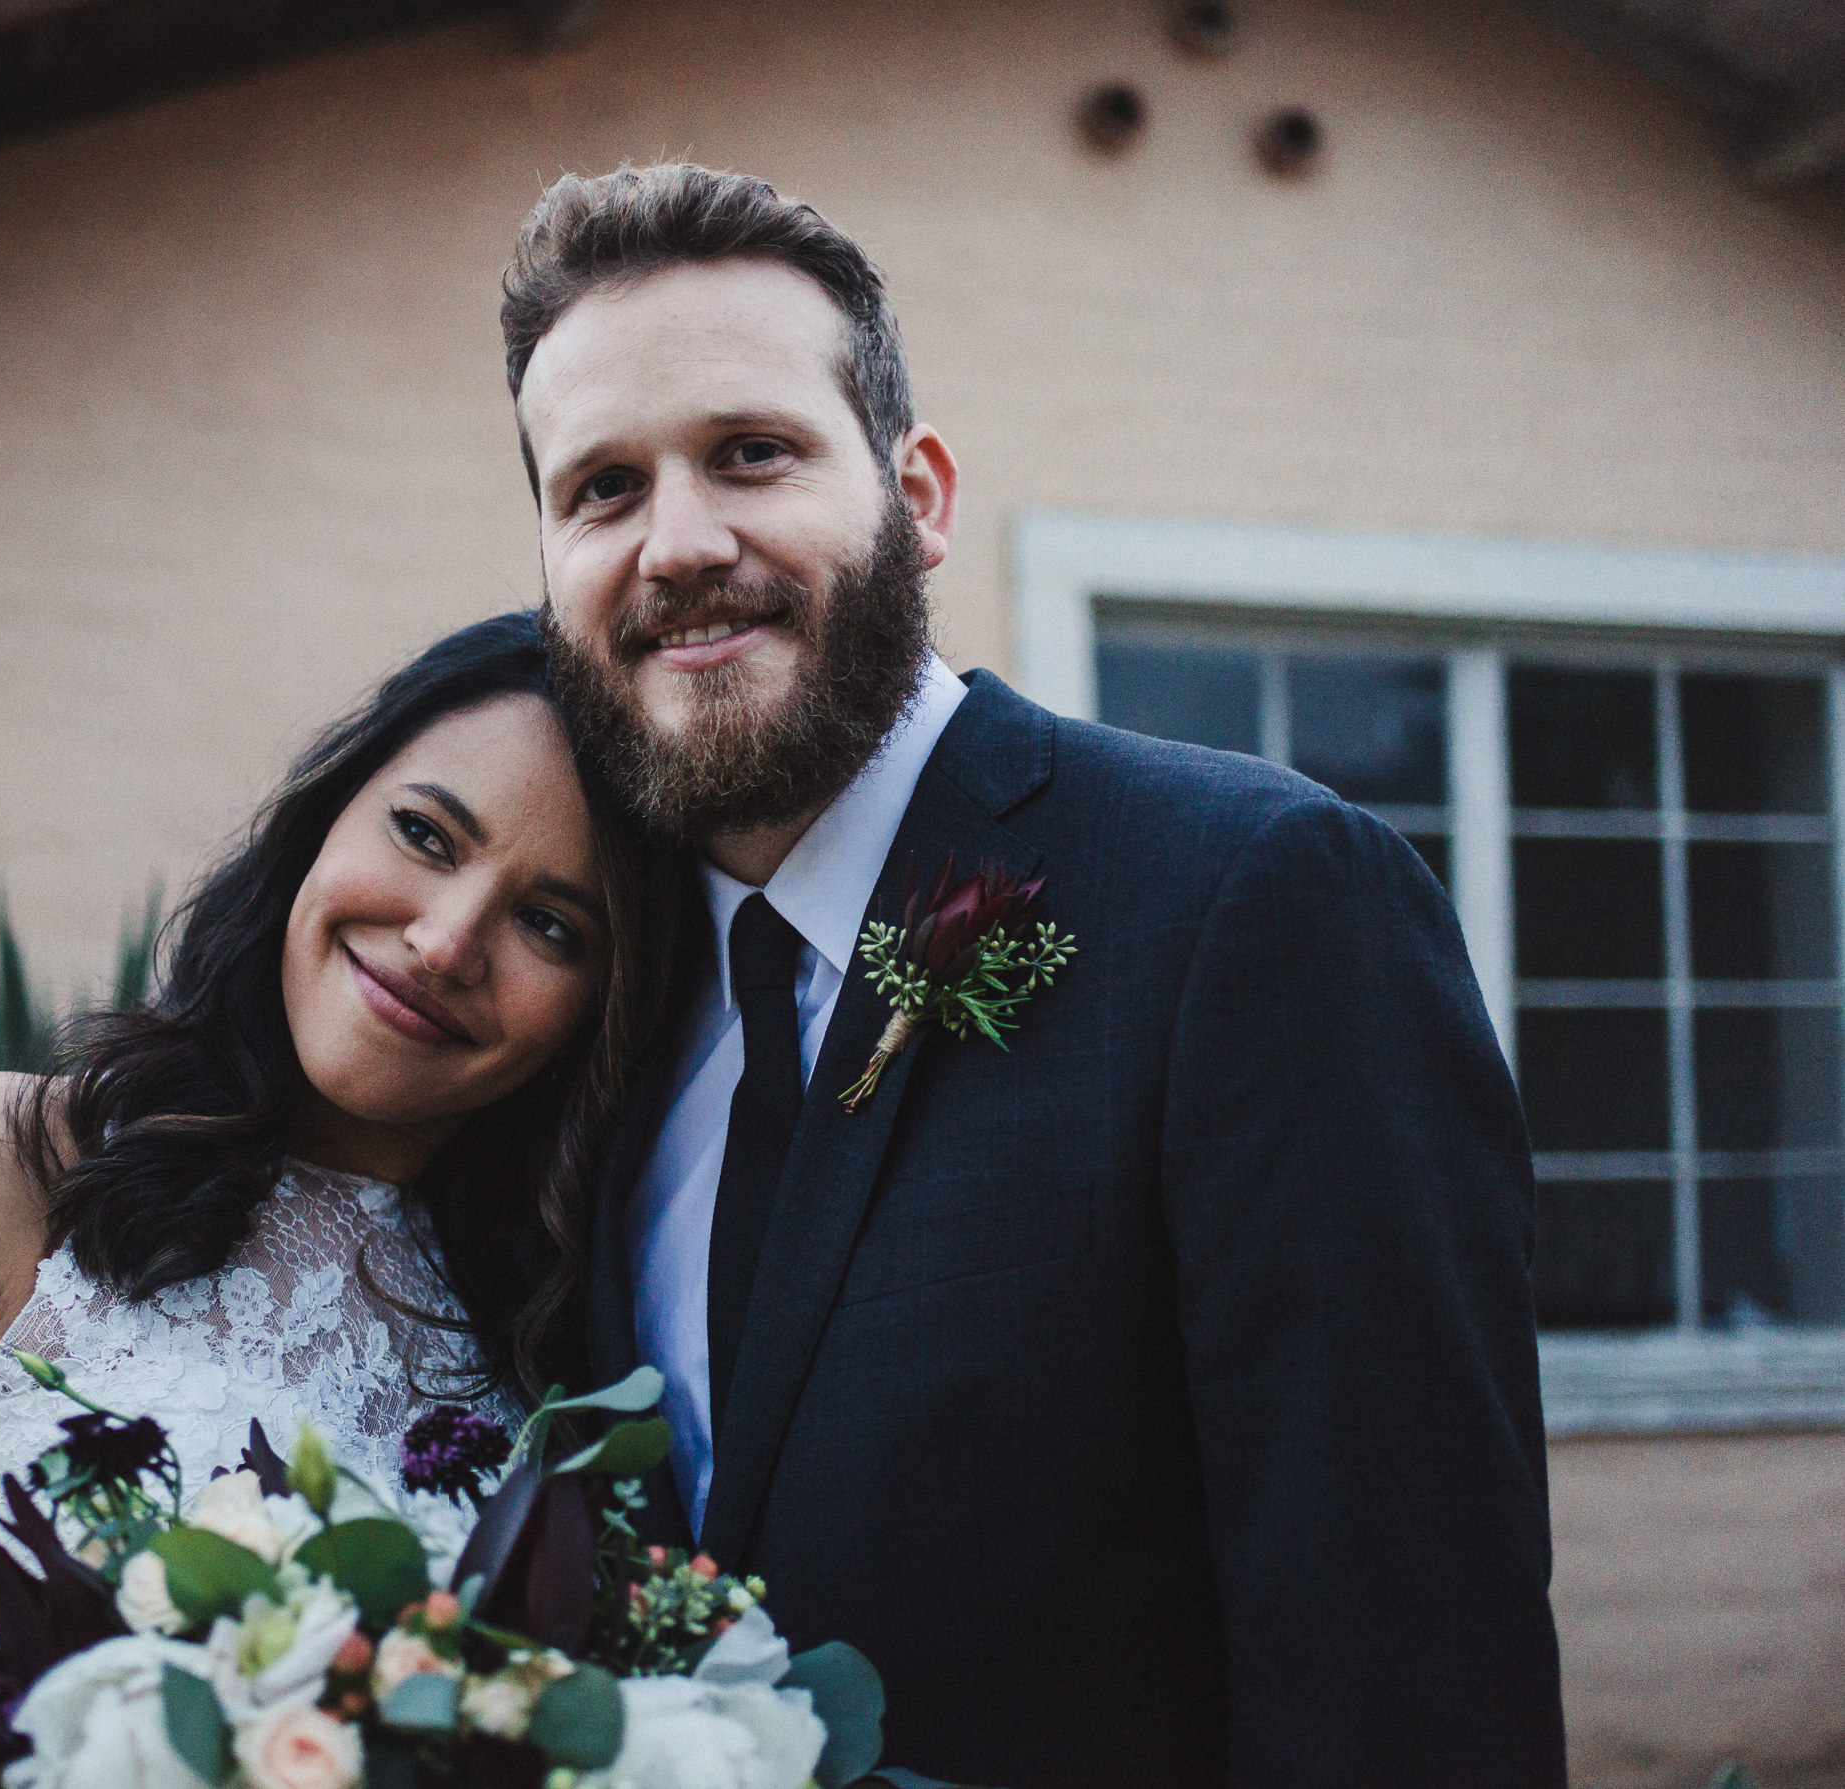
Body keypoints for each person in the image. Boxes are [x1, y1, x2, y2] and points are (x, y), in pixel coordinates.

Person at [507, 164, 1567, 1786]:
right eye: (601, 489)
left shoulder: (1253, 900)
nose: (680, 542)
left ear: (918, 493)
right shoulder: (602, 993)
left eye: (751, 452)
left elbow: (1406, 1671)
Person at [0, 613, 687, 1787]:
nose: (444, 939)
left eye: (550, 924)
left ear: (604, 1006)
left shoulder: (581, 1350)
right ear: (323, 822)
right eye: (423, 833)